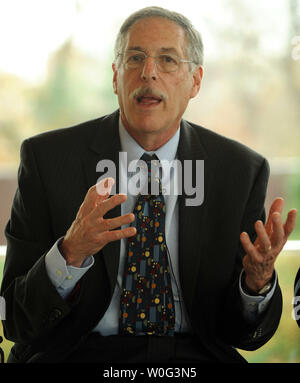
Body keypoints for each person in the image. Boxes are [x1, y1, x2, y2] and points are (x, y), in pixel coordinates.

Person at [0, 6, 297, 363]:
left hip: (191, 358)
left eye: (168, 60)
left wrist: (256, 284)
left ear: (195, 81)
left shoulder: (238, 170)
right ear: (115, 76)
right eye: (135, 57)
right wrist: (70, 252)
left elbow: (244, 335)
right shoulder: (47, 160)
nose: (149, 72)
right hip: (78, 355)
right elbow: (14, 320)